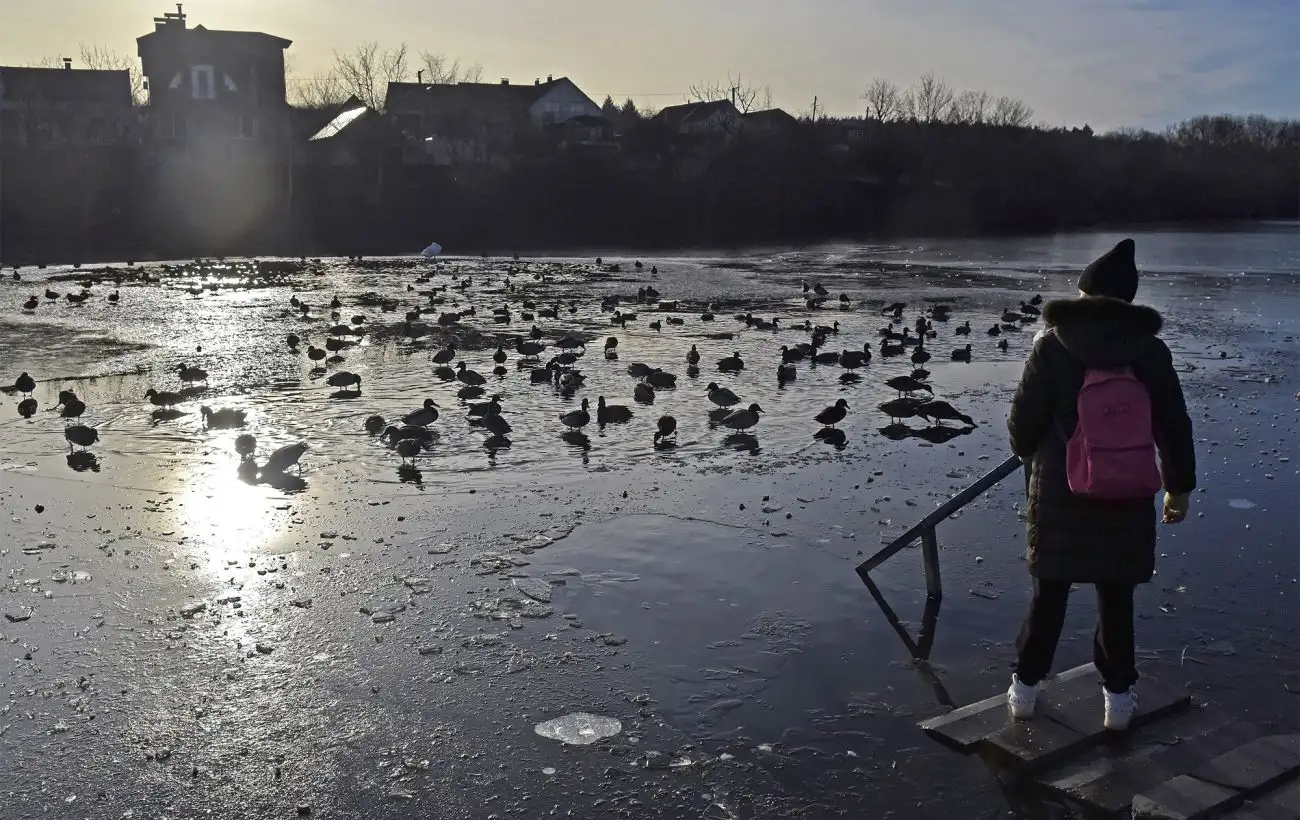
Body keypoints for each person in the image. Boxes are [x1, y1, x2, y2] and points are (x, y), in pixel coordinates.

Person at [1005, 238, 1196, 731]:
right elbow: (1173, 424)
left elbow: (1023, 421)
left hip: (1059, 490)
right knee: (1116, 597)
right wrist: (1179, 487)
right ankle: (1118, 703)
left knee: (1049, 593)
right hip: (1126, 489)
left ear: (1085, 292)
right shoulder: (1149, 352)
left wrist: (1033, 456)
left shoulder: (1051, 346)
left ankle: (1024, 693)